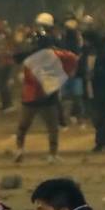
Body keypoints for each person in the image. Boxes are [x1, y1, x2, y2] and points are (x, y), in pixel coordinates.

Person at [13, 13, 73, 163]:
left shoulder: (29, 51)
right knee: (52, 127)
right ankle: (52, 154)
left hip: (31, 94)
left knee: (23, 126)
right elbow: (71, 58)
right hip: (47, 93)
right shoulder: (54, 51)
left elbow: (17, 56)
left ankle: (20, 149)